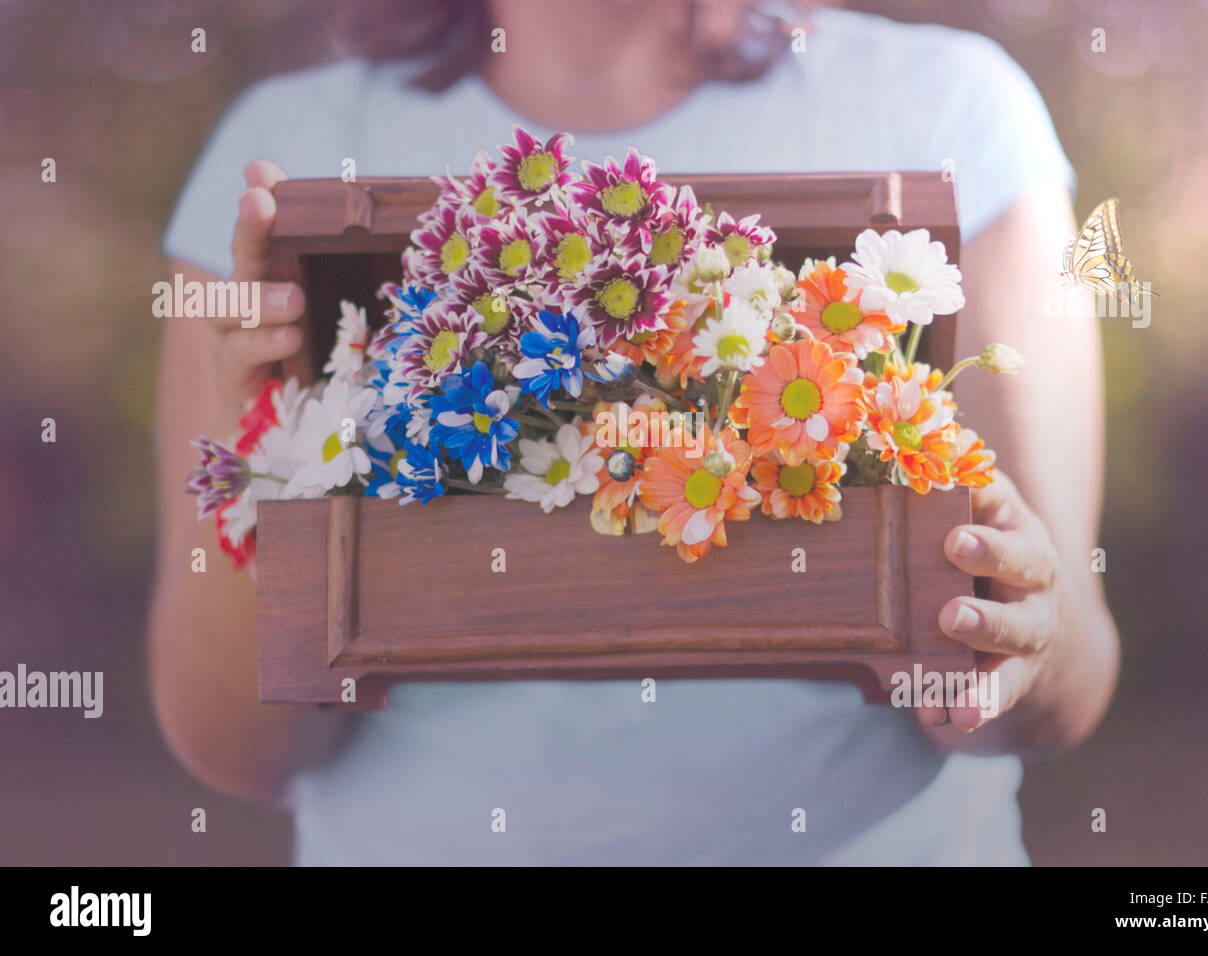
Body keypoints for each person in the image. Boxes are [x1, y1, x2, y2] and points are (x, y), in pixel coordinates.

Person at [149, 0, 1119, 864]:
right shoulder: (291, 146)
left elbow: (1052, 667)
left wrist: (1011, 638)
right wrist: (274, 453)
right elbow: (234, 743)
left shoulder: (950, 107)